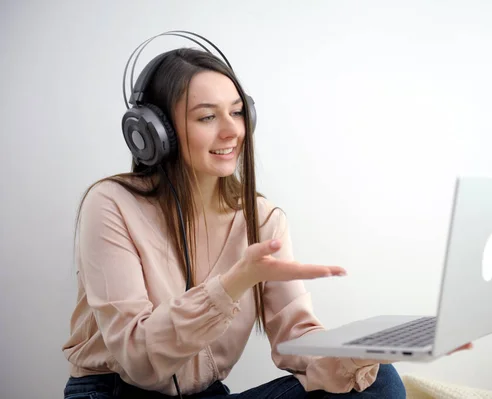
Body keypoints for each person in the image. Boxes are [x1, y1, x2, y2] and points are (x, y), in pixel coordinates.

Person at [62, 36, 468, 399]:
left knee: (379, 381)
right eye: (207, 117)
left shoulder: (262, 217)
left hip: (207, 395)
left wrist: (350, 354)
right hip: (115, 393)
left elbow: (295, 339)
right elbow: (139, 361)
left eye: (237, 113)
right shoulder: (111, 204)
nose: (232, 132)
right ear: (154, 132)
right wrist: (235, 281)